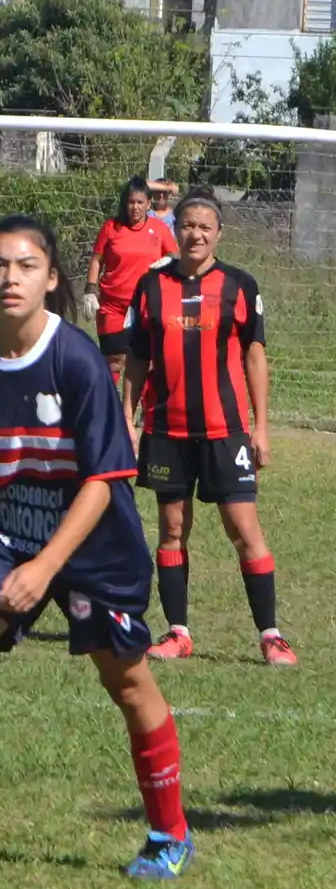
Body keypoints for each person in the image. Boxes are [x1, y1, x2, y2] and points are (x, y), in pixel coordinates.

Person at [0, 214, 194, 887]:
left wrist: (45, 567)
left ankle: (170, 831)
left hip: (89, 542)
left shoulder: (74, 358)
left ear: (51, 279)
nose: (9, 277)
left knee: (127, 681)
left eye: (25, 266)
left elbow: (107, 483)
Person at [123, 188, 296, 666]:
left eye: (204, 226)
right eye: (187, 225)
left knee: (244, 529)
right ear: (174, 230)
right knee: (172, 529)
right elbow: (137, 359)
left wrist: (261, 428)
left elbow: (255, 359)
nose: (195, 233)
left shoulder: (240, 285)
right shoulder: (151, 287)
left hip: (226, 432)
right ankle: (178, 632)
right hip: (166, 431)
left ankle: (271, 635)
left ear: (218, 233)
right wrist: (128, 420)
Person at [82, 175, 177, 391]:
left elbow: (175, 256)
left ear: (148, 204)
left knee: (146, 360)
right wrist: (90, 290)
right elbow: (97, 259)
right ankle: (106, 405)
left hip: (146, 305)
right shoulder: (111, 227)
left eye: (140, 202)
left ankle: (144, 413)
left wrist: (169, 261)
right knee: (115, 359)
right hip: (112, 306)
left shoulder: (159, 229)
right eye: (131, 202)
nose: (135, 207)